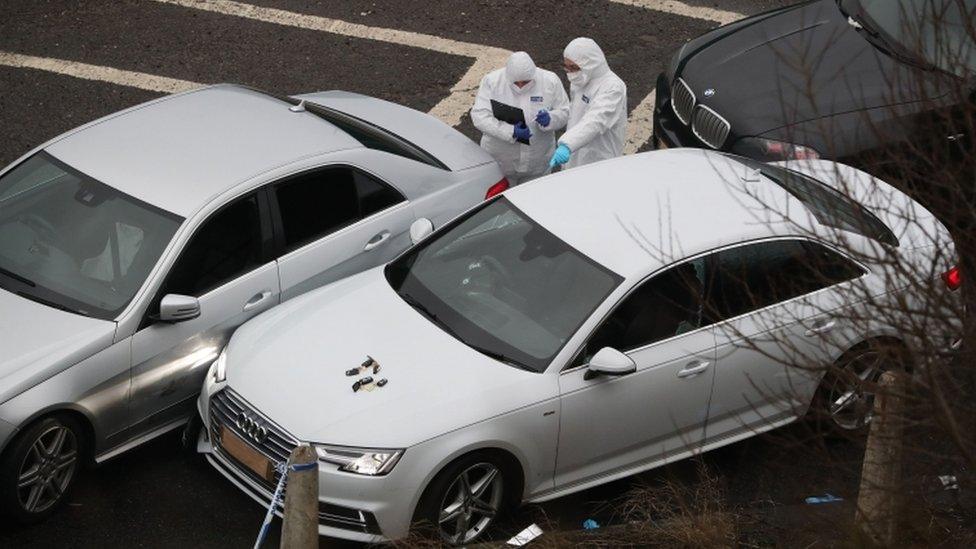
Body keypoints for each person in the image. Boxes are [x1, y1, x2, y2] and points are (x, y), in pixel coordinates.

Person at [471, 51, 570, 185]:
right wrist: (510, 131)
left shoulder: (550, 81)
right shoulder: (492, 81)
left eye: (525, 82)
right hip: (501, 164)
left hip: (538, 163)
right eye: (516, 83)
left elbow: (565, 111)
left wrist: (551, 119)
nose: (521, 86)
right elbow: (479, 116)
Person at [549, 37, 627, 169]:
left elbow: (596, 120)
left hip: (599, 159)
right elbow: (576, 111)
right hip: (575, 153)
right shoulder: (580, 80)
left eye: (574, 67)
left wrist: (567, 144)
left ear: (591, 64)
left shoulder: (613, 87)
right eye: (567, 67)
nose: (570, 73)